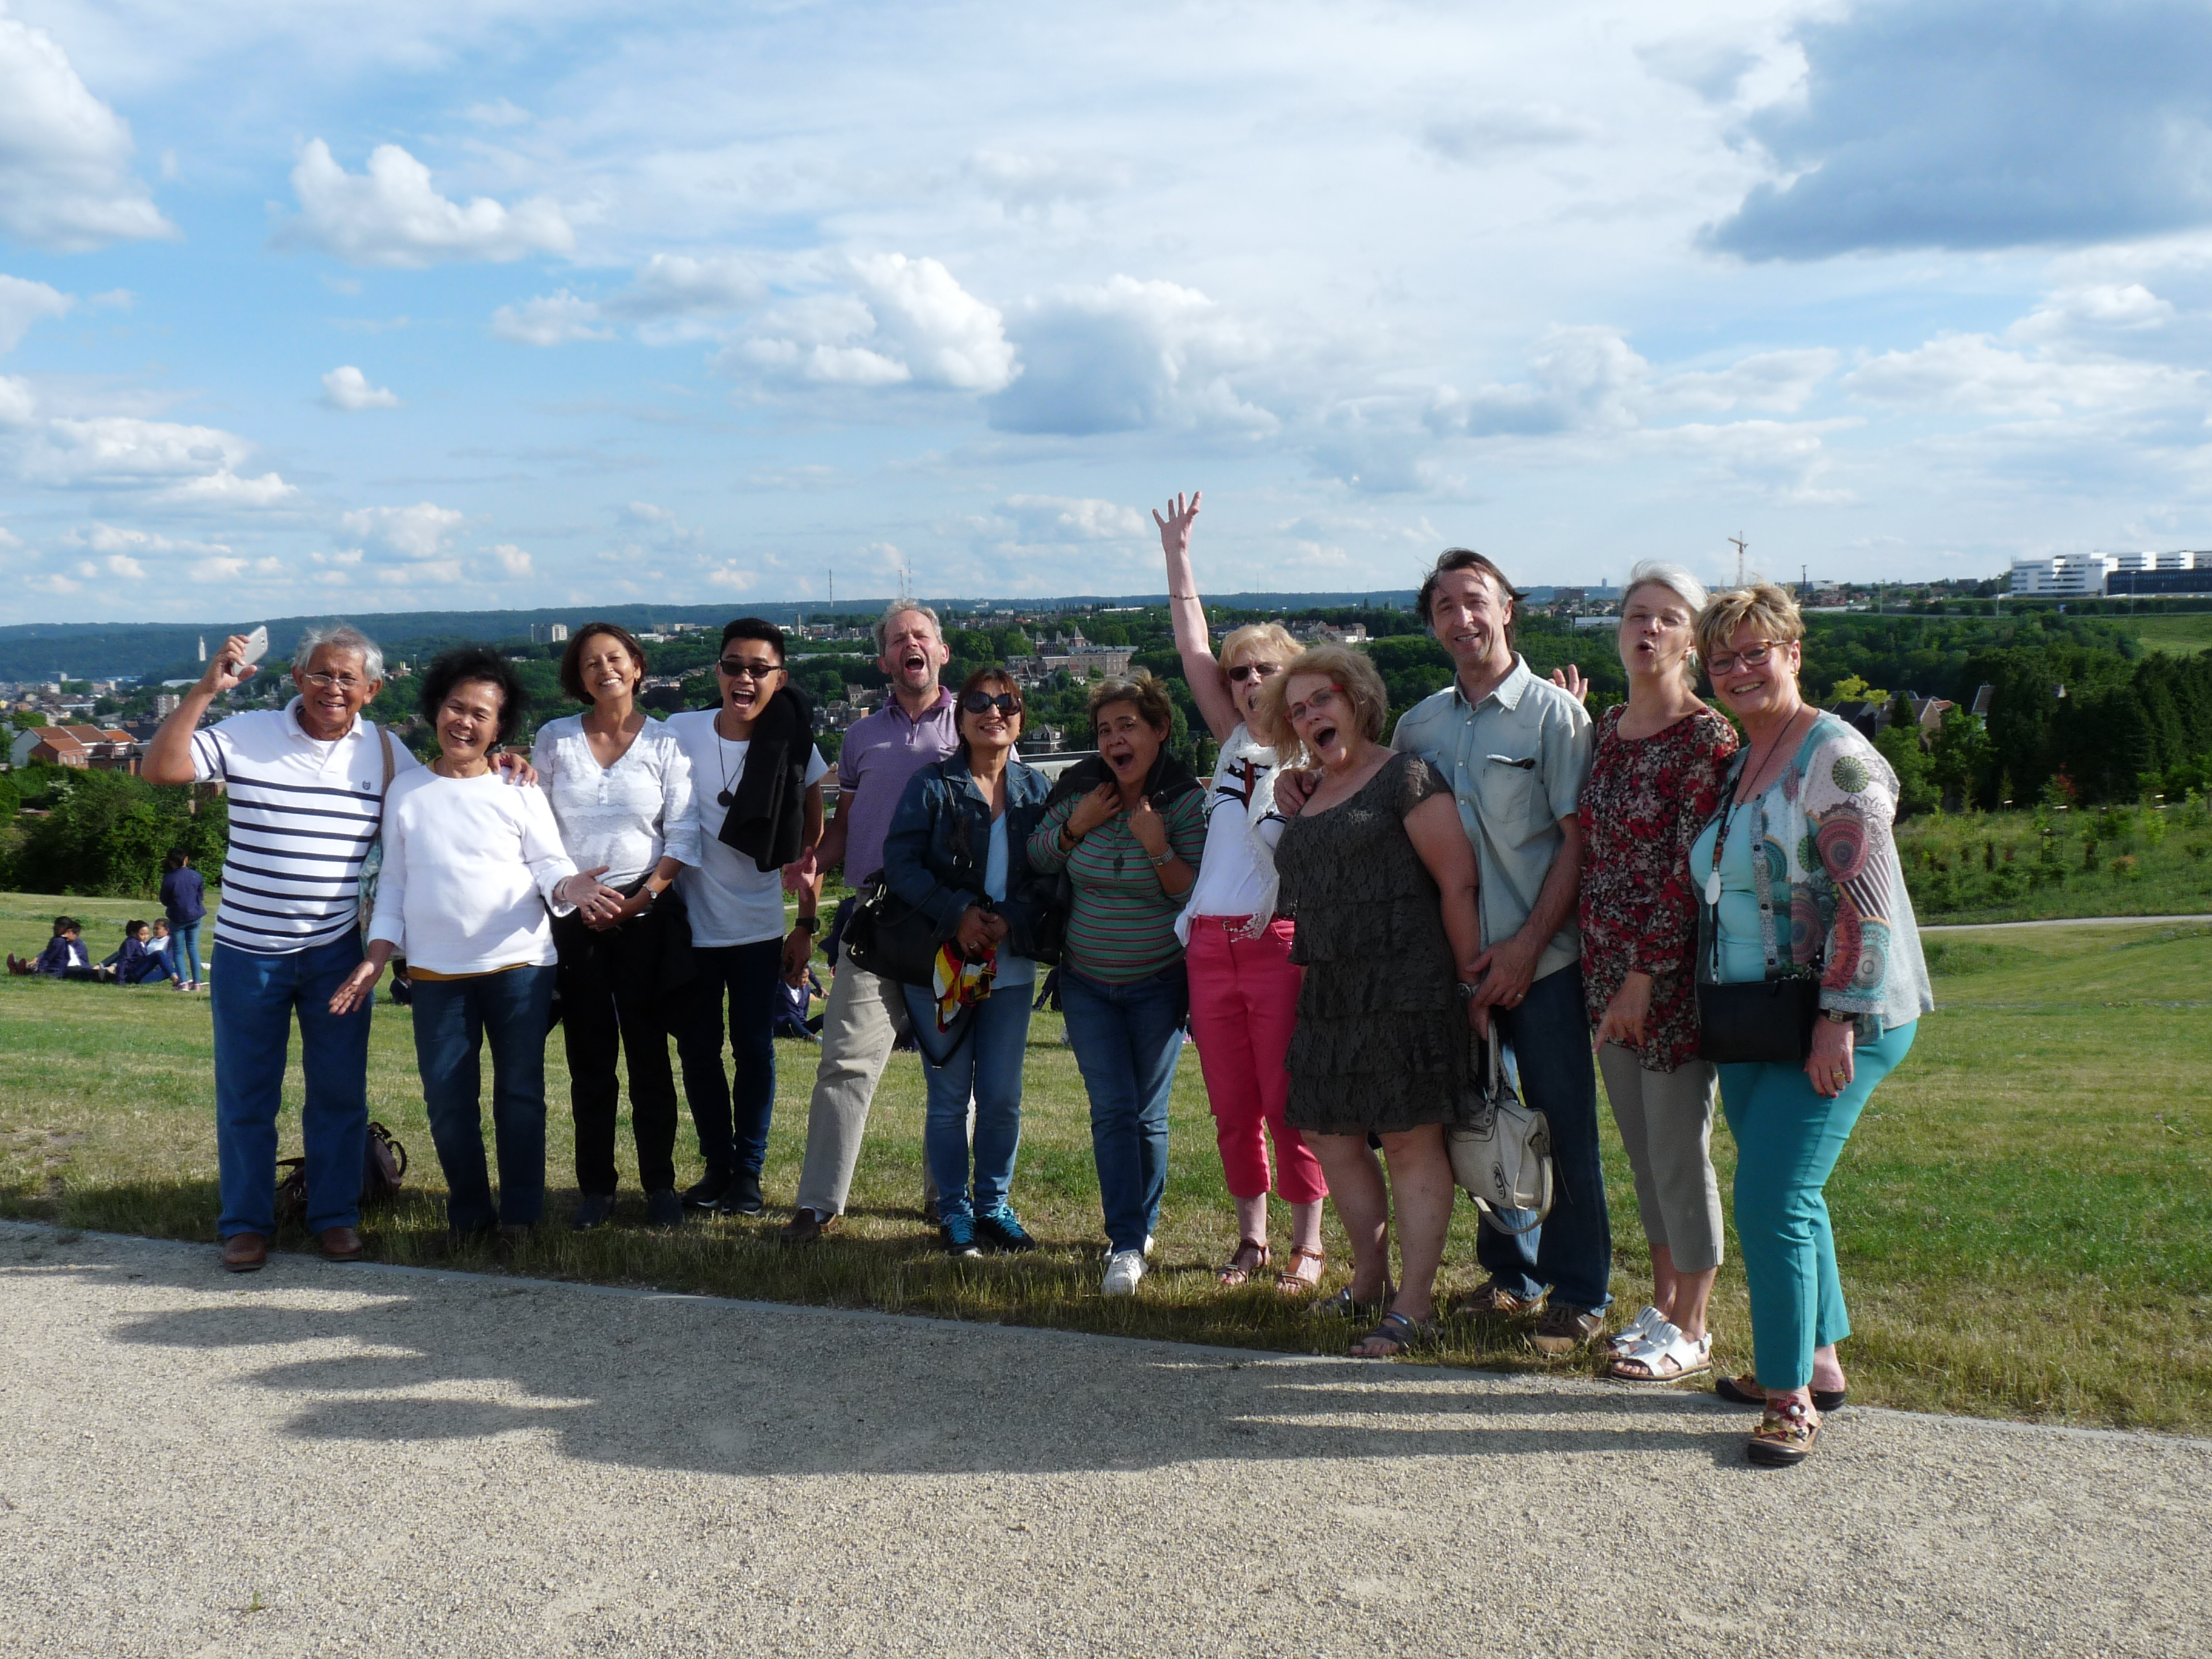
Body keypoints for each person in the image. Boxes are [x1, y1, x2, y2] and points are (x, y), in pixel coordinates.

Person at [142, 622, 515, 1273]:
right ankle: (246, 1224)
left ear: (371, 690)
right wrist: (206, 690)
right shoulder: (247, 732)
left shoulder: (388, 752)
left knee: (339, 1093)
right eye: (321, 674)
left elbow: (449, 786)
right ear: (297, 679)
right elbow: (161, 768)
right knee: (247, 1095)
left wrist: (510, 761)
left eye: (348, 678)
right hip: (247, 950)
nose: (332, 688)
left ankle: (335, 1215)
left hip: (336, 954)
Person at [1690, 583, 1932, 1465]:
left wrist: (1838, 1018)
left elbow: (1864, 905)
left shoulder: (1835, 757)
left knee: (1771, 1200)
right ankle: (1819, 1362)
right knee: (1784, 1187)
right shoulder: (1744, 758)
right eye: (1724, 658)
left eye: (1759, 652)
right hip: (1759, 1015)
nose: (1742, 669)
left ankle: (1788, 1396)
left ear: (1795, 654)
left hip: (1835, 1017)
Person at [1389, 548, 1609, 1355]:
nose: (1461, 619)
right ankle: (1511, 1276)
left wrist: (1523, 949)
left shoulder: (1556, 717)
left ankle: (1580, 1291)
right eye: (1444, 607)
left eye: (1474, 601)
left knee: (1560, 1129)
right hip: (1456, 969)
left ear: (1507, 608)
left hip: (1541, 966)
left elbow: (1575, 848)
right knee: (1480, 1127)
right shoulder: (1419, 726)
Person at [330, 647, 600, 1255]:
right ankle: (470, 1213)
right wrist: (377, 955)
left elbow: (549, 861)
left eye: (482, 714)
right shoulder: (407, 792)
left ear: (499, 728)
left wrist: (571, 885)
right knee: (448, 1100)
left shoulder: (517, 786)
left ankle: (521, 1217)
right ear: (435, 710)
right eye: (456, 707)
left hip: (521, 966)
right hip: (434, 972)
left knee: (520, 1095)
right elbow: (393, 883)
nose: (466, 722)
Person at [1261, 648, 1486, 1356]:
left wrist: (1469, 987)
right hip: (1331, 988)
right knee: (1331, 1136)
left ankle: (1414, 1304)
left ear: (1356, 696)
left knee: (1410, 1141)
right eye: (1297, 711)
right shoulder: (1306, 790)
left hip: (1407, 984)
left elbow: (1458, 885)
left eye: (1319, 699)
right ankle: (1368, 1281)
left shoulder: (1407, 777)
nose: (1310, 716)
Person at [1567, 562, 1740, 1384]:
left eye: (1669, 618)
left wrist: (1644, 977)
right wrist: (1609, 978)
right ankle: (1665, 1300)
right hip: (1602, 974)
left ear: (1693, 638)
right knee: (1640, 1152)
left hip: (1666, 984)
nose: (1648, 630)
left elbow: (1689, 871)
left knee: (1679, 1150)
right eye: (1637, 615)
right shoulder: (1608, 726)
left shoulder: (1706, 738)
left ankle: (1696, 1324)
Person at [1155, 490, 1328, 1292]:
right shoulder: (1231, 741)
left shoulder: (1321, 759)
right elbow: (1190, 640)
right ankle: (1251, 1241)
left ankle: (1309, 1244)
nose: (1250, 679)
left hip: (1276, 943)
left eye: (1267, 668)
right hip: (1209, 944)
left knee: (1290, 1103)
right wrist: (1178, 555)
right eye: (1240, 672)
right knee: (1232, 1105)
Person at [777, 602, 959, 1244]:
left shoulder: (975, 724)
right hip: (873, 919)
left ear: (942, 652)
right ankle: (819, 1204)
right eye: (898, 639)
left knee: (950, 1069)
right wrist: (812, 862)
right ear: (885, 661)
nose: (911, 645)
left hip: (948, 920)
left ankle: (950, 1201)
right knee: (844, 1062)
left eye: (922, 636)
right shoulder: (860, 737)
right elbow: (847, 830)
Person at [1027, 671, 1207, 1295]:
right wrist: (1076, 824)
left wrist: (1156, 846)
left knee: (1147, 1114)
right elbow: (1038, 856)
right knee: (1111, 1111)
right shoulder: (1081, 788)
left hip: (1159, 981)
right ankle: (1126, 1243)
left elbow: (1192, 892)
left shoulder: (1184, 799)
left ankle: (1140, 1225)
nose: (1114, 739)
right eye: (1105, 729)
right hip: (1084, 980)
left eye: (1128, 725)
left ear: (1159, 730)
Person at [882, 666, 1057, 1257]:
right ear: (959, 719)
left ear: (1021, 718)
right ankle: (954, 1213)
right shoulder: (932, 786)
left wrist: (1012, 917)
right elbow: (901, 864)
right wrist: (956, 911)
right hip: (944, 968)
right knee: (951, 1097)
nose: (994, 711)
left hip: (1009, 970)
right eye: (980, 701)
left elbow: (1051, 875)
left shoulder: (1037, 792)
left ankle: (994, 1206)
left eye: (1007, 702)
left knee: (1003, 1097)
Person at [532, 622, 702, 1232]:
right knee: (590, 1060)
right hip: (575, 916)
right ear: (578, 680)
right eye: (589, 665)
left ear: (636, 666)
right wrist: (574, 894)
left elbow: (683, 832)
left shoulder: (666, 744)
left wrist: (642, 898)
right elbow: (536, 827)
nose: (603, 670)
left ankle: (660, 1184)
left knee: (650, 1057)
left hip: (645, 915)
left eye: (614, 659)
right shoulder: (554, 740)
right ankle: (596, 1188)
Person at [666, 618, 826, 1219]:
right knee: (700, 1053)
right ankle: (717, 1166)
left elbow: (811, 848)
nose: (744, 678)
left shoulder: (797, 748)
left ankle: (750, 1175)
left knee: (754, 1052)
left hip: (759, 932)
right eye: (733, 666)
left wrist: (806, 925)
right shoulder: (679, 731)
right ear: (717, 671)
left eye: (758, 670)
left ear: (779, 679)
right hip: (693, 929)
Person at [161, 851, 206, 991]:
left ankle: (183, 982)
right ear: (186, 860)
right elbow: (201, 894)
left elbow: (164, 899)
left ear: (172, 862)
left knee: (178, 950)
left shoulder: (169, 878)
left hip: (177, 917)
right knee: (193, 948)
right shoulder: (196, 875)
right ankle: (197, 983)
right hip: (195, 916)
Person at [13, 916, 95, 979]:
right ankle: (21, 968)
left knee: (43, 966)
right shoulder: (61, 941)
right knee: (39, 964)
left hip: (76, 966)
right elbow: (50, 952)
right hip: (62, 967)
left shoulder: (78, 944)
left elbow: (69, 959)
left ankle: (24, 970)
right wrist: (37, 958)